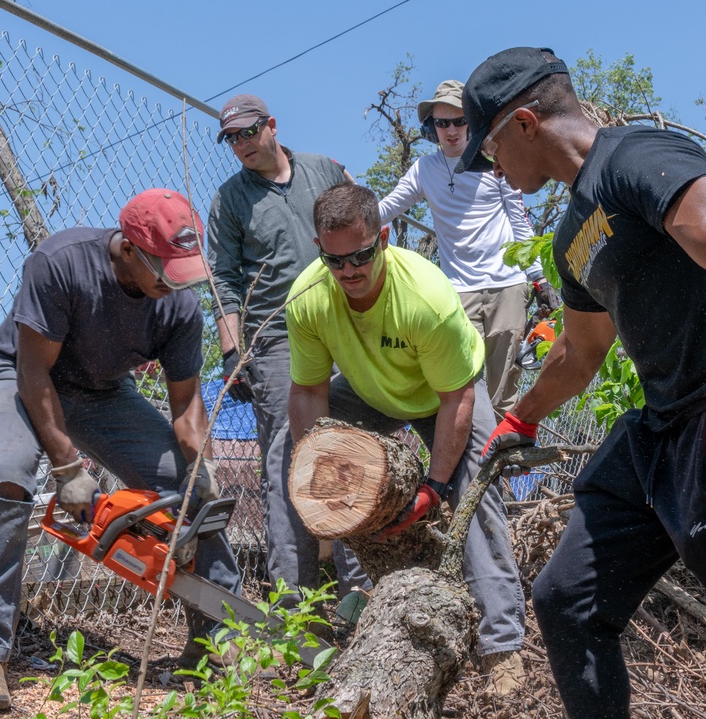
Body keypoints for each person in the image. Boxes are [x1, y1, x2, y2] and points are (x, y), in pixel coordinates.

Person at [457, 47, 706, 718]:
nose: (491, 172)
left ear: (523, 123)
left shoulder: (635, 157)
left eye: (488, 152)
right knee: (566, 599)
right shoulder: (571, 234)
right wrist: (522, 416)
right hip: (664, 432)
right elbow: (580, 353)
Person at [0, 189, 243, 711]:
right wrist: (67, 467)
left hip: (105, 392)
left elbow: (186, 403)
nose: (173, 281)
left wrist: (202, 463)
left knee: (188, 485)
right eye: (164, 268)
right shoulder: (61, 262)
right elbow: (32, 371)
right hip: (19, 378)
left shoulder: (178, 303)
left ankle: (215, 638)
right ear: (129, 249)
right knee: (7, 474)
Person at [265, 181, 527, 695]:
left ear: (382, 237)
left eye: (360, 255)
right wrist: (314, 478)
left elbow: (456, 399)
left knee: (477, 483)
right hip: (368, 392)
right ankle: (294, 628)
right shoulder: (309, 297)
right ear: (321, 251)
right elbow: (310, 391)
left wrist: (433, 486)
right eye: (335, 261)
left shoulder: (425, 298)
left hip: (444, 395)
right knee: (283, 454)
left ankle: (502, 649)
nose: (349, 271)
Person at [206, 95, 367, 600]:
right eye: (231, 139)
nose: (241, 145)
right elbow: (224, 283)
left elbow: (362, 231)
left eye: (248, 133)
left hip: (344, 322)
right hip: (276, 337)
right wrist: (233, 353)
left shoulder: (324, 170)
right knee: (286, 456)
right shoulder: (229, 200)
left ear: (271, 126)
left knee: (351, 448)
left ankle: (358, 592)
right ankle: (292, 603)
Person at [379, 80, 559, 416]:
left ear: (471, 123)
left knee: (503, 387)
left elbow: (519, 222)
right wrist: (346, 215)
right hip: (458, 291)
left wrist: (539, 278)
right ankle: (469, 462)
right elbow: (385, 210)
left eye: (459, 121)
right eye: (442, 123)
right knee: (464, 383)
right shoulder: (424, 170)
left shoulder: (497, 162)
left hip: (508, 283)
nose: (451, 131)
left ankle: (502, 459)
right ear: (431, 127)